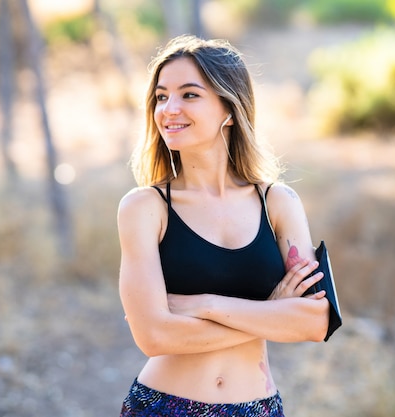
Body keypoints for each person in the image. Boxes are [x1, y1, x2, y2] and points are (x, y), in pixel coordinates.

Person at [117, 35, 330, 417]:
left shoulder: (278, 203)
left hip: (258, 408)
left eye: (189, 95)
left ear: (229, 109)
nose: (169, 109)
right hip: (164, 406)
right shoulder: (145, 208)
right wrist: (271, 313)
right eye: (162, 97)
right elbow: (153, 336)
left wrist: (206, 305)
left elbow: (315, 321)